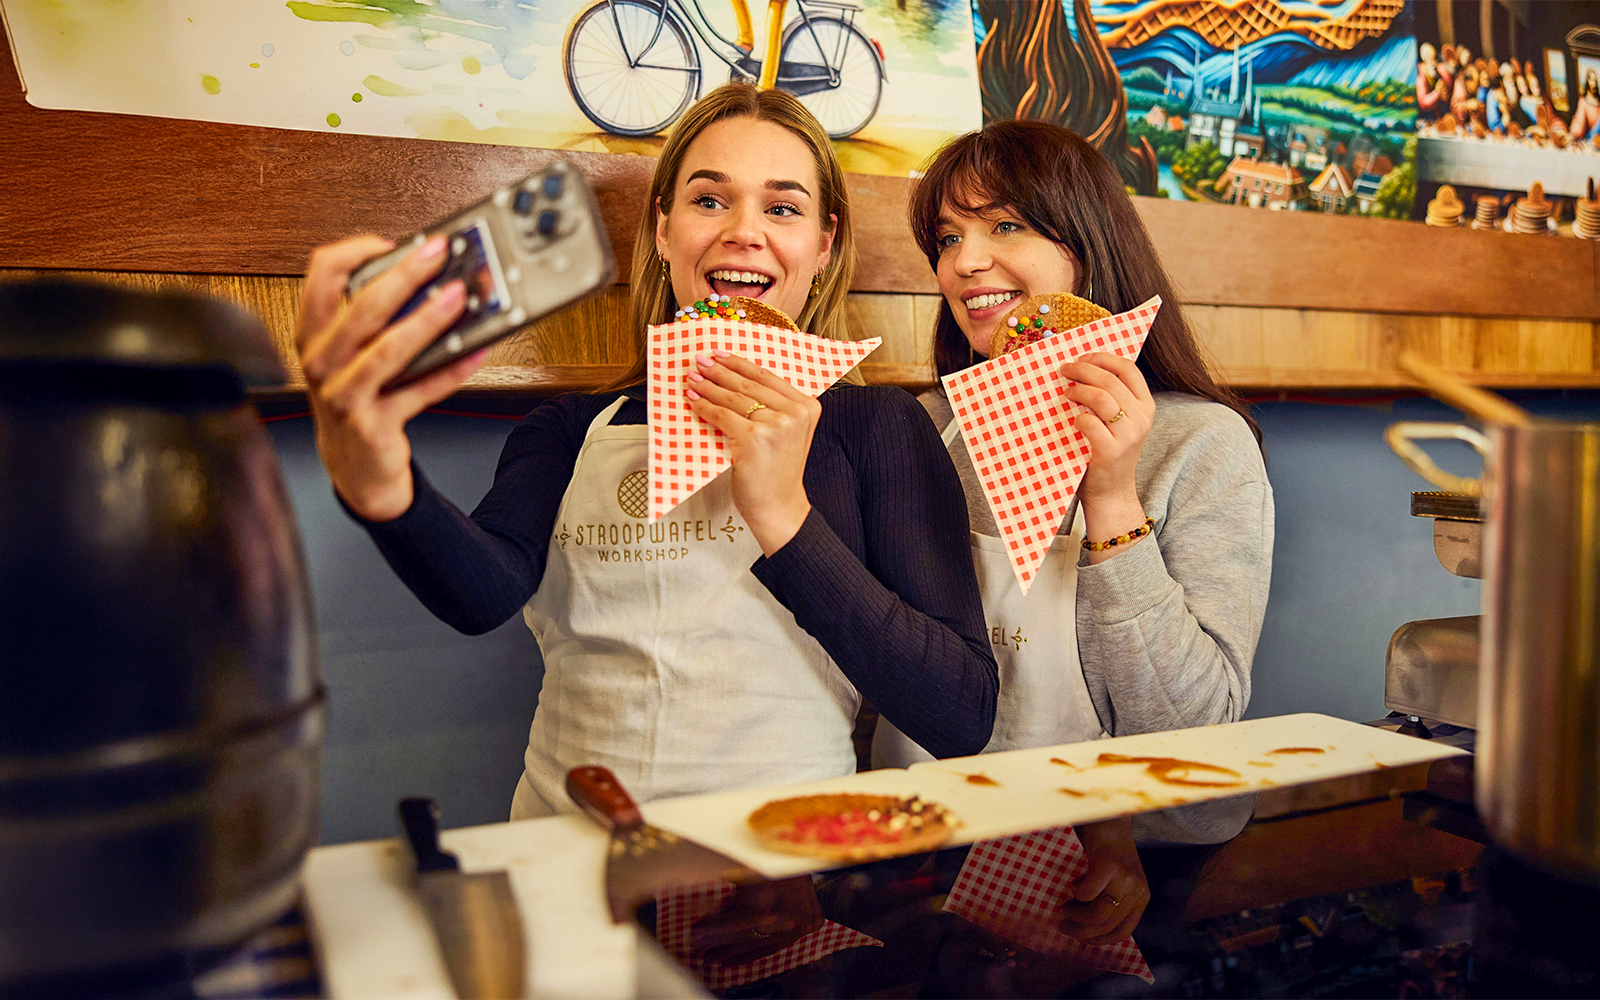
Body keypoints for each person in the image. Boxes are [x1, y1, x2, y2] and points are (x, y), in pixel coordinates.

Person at [292, 82, 999, 824]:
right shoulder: (569, 427)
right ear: (664, 233)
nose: (743, 231)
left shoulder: (873, 424)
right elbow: (481, 597)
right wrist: (380, 484)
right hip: (565, 855)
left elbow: (960, 713)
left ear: (822, 248)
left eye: (782, 207)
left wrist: (785, 517)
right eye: (709, 200)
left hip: (785, 875)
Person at [881, 119, 1275, 957]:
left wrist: (1110, 494)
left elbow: (1199, 729)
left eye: (1005, 225)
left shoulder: (1200, 444)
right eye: (946, 237)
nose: (964, 261)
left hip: (1144, 877)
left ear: (1087, 245)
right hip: (927, 853)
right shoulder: (917, 432)